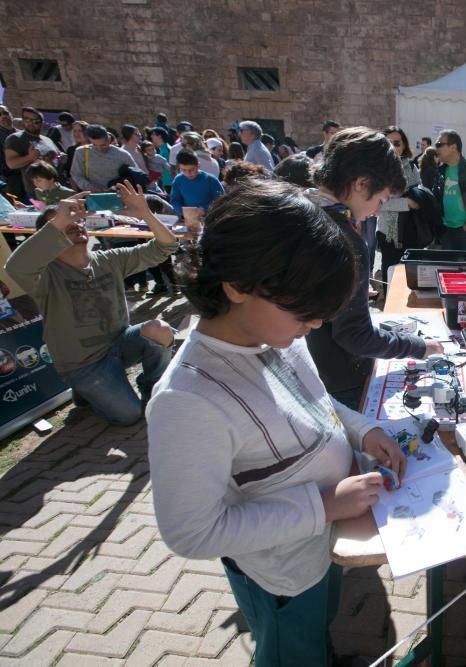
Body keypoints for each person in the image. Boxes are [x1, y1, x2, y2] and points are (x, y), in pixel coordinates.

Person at [146, 179, 408, 667]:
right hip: (279, 571)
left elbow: (315, 401)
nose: (313, 326)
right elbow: (190, 533)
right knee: (290, 650)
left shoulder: (272, 333)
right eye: (304, 314)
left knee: (316, 627)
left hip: (320, 544)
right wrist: (323, 505)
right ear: (239, 287)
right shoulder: (188, 401)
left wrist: (363, 430)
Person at [5, 184, 178, 425]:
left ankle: (153, 391)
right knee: (129, 416)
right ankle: (87, 391)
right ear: (48, 237)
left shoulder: (109, 260)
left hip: (119, 345)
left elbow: (167, 247)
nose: (74, 223)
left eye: (76, 219)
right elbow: (14, 267)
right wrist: (58, 221)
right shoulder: (44, 276)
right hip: (84, 364)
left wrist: (145, 213)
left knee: (159, 329)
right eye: (64, 222)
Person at [305, 127, 443, 408]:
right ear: (361, 183)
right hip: (344, 377)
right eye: (381, 200)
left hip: (319, 366)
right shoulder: (344, 238)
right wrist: (418, 347)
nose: (379, 211)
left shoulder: (306, 210)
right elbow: (353, 334)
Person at [375, 126, 421, 280]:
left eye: (397, 143)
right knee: (390, 273)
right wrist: (405, 202)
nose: (393, 147)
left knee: (410, 275)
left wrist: (414, 202)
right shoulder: (377, 170)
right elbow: (376, 205)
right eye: (388, 143)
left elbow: (419, 197)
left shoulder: (412, 167)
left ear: (404, 145)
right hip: (388, 231)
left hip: (409, 228)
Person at [4, 107, 62, 199]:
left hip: (57, 187)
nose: (30, 123)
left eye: (35, 121)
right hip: (36, 191)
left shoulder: (47, 139)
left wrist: (56, 158)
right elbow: (11, 164)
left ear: (41, 122)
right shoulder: (15, 138)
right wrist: (30, 157)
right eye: (27, 119)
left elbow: (58, 157)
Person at [70, 125, 138, 193]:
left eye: (103, 145)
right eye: (94, 145)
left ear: (108, 139)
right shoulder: (81, 152)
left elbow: (136, 175)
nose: (99, 149)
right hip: (93, 196)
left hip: (118, 195)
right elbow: (76, 174)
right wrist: (88, 186)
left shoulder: (123, 154)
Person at [170, 150, 225, 224]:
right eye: (183, 170)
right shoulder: (178, 180)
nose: (188, 173)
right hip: (188, 221)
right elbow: (175, 200)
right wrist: (182, 211)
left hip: (210, 221)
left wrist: (205, 209)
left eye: (191, 170)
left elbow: (221, 201)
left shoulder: (211, 180)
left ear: (198, 165)